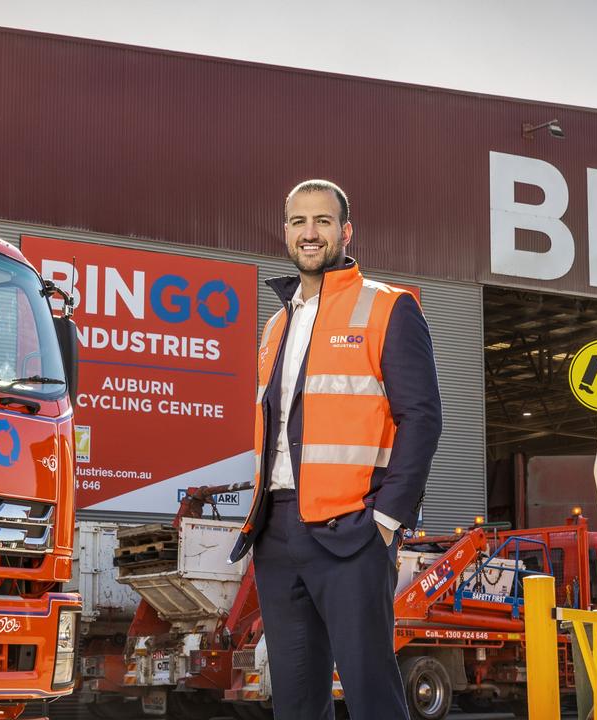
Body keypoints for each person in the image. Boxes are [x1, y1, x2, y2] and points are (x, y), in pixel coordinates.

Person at [229, 179, 442, 718]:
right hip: (275, 533)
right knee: (295, 702)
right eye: (299, 222)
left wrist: (388, 518)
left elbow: (421, 418)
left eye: (323, 221)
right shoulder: (277, 324)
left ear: (345, 231)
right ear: (285, 233)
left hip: (352, 532)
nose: (310, 232)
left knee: (371, 696)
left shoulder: (389, 307)